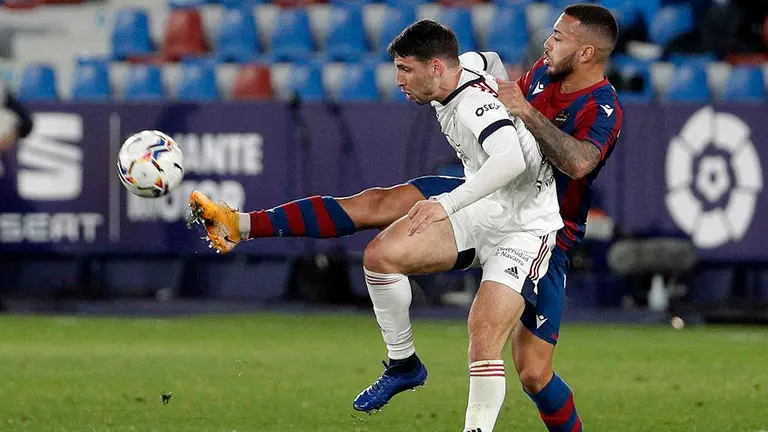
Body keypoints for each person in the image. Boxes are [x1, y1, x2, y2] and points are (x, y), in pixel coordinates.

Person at [191, 4, 622, 431]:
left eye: (558, 37)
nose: (547, 43)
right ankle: (240, 225)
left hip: (541, 226)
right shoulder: (537, 72)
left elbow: (576, 163)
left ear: (586, 52)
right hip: (483, 193)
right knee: (378, 214)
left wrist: (522, 112)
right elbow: (488, 63)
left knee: (532, 373)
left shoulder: (600, 106)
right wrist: (486, 79)